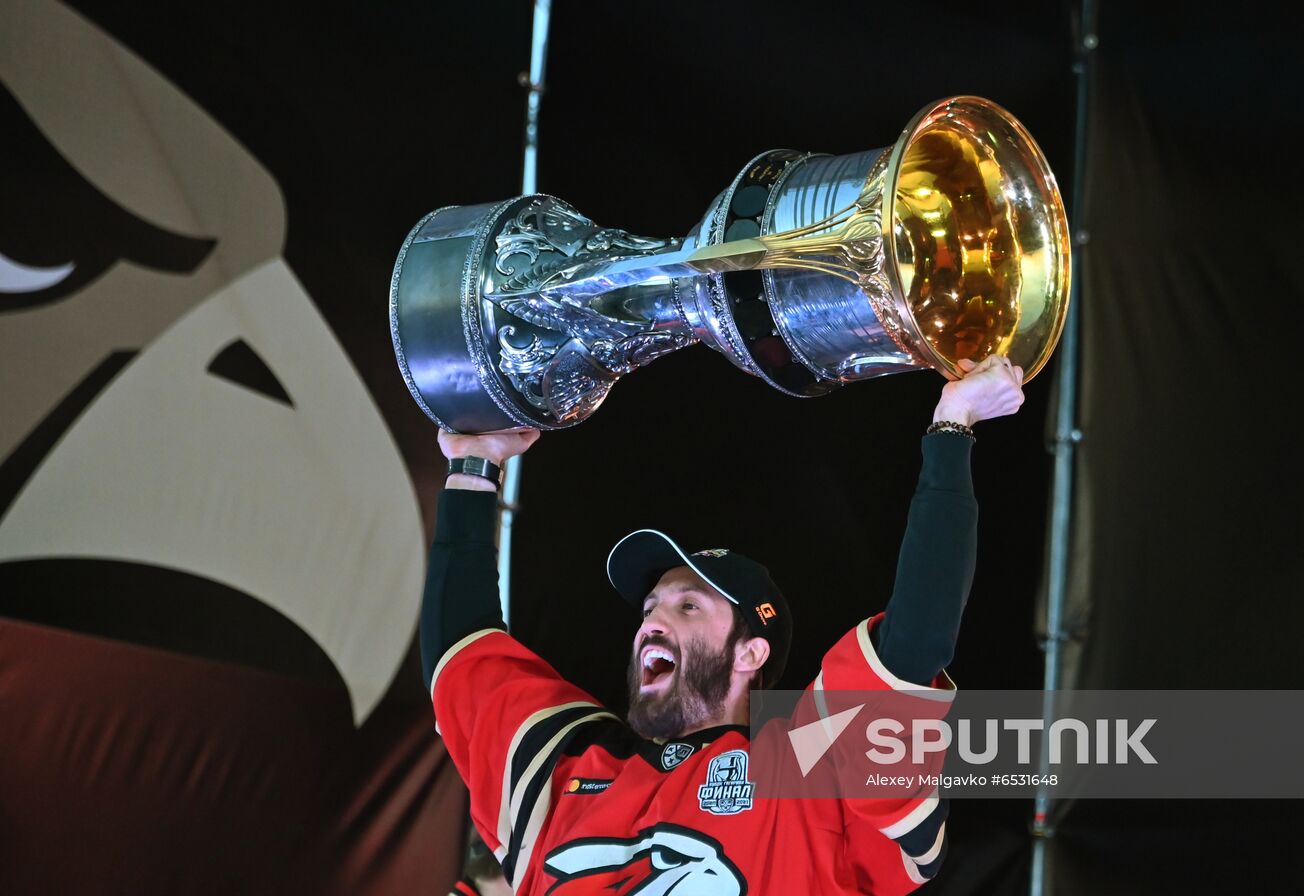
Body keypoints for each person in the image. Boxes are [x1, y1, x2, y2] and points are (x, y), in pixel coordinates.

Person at [421, 356, 1025, 894]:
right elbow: (463, 654)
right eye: (649, 608)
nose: (651, 624)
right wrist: (476, 465)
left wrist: (953, 428)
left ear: (750, 654)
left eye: (688, 606)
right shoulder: (570, 771)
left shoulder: (805, 770)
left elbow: (914, 641)